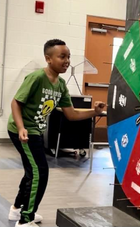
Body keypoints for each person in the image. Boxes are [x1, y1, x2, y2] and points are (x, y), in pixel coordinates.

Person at [7, 39, 105, 227]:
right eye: (62, 56)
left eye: (68, 56)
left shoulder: (60, 85)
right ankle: (25, 220)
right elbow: (15, 103)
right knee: (40, 171)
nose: (67, 60)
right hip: (22, 130)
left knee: (32, 170)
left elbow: (71, 114)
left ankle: (17, 209)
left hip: (34, 130)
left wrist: (95, 112)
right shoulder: (36, 78)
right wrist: (21, 128)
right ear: (48, 59)